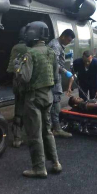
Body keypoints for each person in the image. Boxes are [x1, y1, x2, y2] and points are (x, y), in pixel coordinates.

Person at [17, 21, 62, 178]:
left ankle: (39, 168)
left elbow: (25, 78)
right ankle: (55, 163)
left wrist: (18, 69)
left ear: (32, 34)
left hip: (34, 97)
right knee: (47, 131)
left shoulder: (30, 54)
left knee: (35, 133)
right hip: (48, 96)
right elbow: (56, 77)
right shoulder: (51, 52)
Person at [48, 29, 75, 138]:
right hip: (54, 79)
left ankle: (53, 127)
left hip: (55, 77)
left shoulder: (57, 44)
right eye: (68, 40)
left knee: (55, 103)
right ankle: (56, 129)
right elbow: (54, 64)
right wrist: (65, 71)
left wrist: (66, 56)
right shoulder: (55, 46)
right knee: (55, 104)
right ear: (63, 36)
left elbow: (57, 59)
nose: (68, 42)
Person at [6, 27, 28, 148]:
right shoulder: (30, 49)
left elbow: (10, 68)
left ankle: (17, 138)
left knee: (18, 109)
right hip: (27, 84)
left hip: (16, 82)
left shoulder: (15, 47)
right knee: (29, 110)